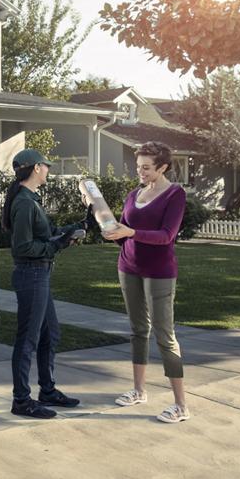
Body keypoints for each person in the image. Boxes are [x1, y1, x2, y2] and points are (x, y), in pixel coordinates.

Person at [100, 142, 191, 423]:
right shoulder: (133, 194)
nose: (140, 171)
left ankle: (181, 406)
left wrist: (131, 231)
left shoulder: (175, 194)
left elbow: (166, 236)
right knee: (138, 330)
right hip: (128, 267)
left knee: (165, 335)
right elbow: (125, 233)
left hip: (159, 271)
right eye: (138, 166)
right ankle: (139, 390)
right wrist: (112, 230)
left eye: (146, 167)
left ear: (163, 167)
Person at [2, 149, 86, 419]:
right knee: (28, 339)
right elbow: (24, 246)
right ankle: (21, 400)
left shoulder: (30, 199)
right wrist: (60, 244)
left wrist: (72, 229)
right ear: (36, 168)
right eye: (46, 166)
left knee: (51, 335)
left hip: (40, 274)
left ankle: (47, 391)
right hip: (31, 275)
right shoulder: (25, 202)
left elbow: (45, 235)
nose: (48, 170)